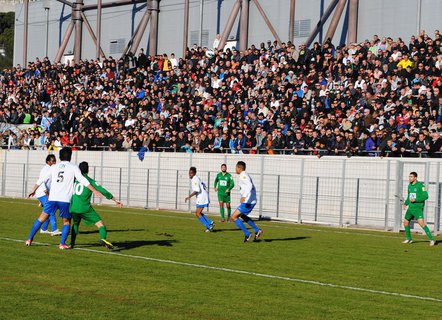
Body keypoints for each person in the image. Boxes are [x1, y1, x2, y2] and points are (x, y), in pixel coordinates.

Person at [26, 147, 103, 249]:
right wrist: (94, 190)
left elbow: (42, 179)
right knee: (66, 222)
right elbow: (82, 180)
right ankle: (62, 243)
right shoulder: (73, 167)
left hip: (52, 198)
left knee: (41, 218)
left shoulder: (54, 167)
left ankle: (29, 239)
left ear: (60, 157)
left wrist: (34, 190)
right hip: (65, 200)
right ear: (70, 156)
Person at [70, 162, 123, 250]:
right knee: (100, 224)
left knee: (75, 224)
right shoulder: (89, 181)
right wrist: (115, 200)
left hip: (73, 207)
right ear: (88, 169)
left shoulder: (74, 180)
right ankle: (103, 239)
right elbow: (103, 191)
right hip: (85, 208)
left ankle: (72, 244)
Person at [230, 161, 263, 242]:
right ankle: (257, 230)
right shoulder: (244, 175)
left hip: (248, 201)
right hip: (250, 200)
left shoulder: (243, 175)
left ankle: (247, 233)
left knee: (233, 217)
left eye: (236, 168)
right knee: (242, 216)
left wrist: (244, 196)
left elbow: (249, 185)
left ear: (239, 168)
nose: (235, 169)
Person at [402, 172, 436, 246]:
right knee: (405, 222)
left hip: (417, 209)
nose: (409, 178)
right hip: (410, 208)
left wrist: (416, 200)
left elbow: (426, 196)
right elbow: (409, 197)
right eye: (409, 176)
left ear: (415, 178)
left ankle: (432, 239)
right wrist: (405, 203)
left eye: (411, 176)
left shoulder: (420, 186)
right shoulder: (409, 186)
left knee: (422, 224)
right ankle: (409, 239)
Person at [36, 154, 61, 235]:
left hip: (45, 193)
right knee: (51, 211)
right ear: (48, 162)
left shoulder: (51, 169)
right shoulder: (45, 169)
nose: (54, 162)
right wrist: (46, 193)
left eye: (55, 160)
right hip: (42, 193)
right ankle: (54, 230)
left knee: (48, 210)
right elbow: (42, 181)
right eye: (53, 161)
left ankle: (43, 229)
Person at [185, 167, 214, 232]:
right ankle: (210, 222)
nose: (190, 174)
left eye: (191, 173)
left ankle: (209, 226)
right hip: (202, 197)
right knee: (198, 213)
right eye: (189, 173)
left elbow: (197, 190)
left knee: (197, 214)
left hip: (202, 197)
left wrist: (189, 196)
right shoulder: (196, 178)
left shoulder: (195, 179)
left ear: (195, 173)